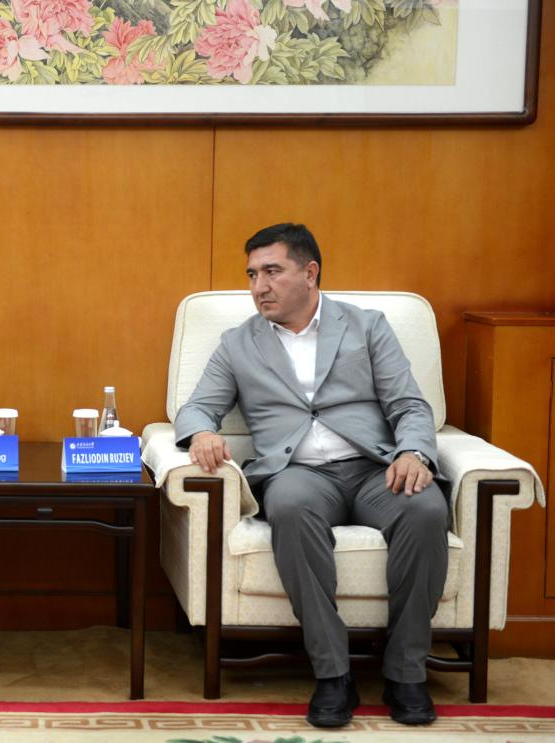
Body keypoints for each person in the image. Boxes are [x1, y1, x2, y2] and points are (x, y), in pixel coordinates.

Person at [174, 223, 448, 728]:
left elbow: (410, 404)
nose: (259, 286)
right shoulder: (238, 343)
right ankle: (333, 672)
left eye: (272, 272)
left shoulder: (367, 326)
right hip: (297, 473)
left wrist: (413, 452)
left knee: (426, 508)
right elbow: (194, 409)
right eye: (252, 274)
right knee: (291, 507)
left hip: (374, 468)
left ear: (310, 272)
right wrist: (201, 434)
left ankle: (406, 672)